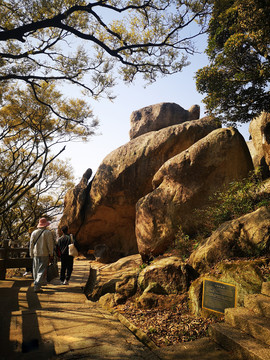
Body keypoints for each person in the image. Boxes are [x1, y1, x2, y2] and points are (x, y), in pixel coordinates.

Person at [29, 218, 54, 293]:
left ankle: (38, 283)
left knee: (36, 269)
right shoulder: (47, 232)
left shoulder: (34, 232)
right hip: (44, 253)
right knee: (42, 270)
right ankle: (37, 286)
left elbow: (31, 244)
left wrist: (31, 253)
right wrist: (51, 253)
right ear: (45, 225)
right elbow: (50, 244)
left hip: (35, 253)